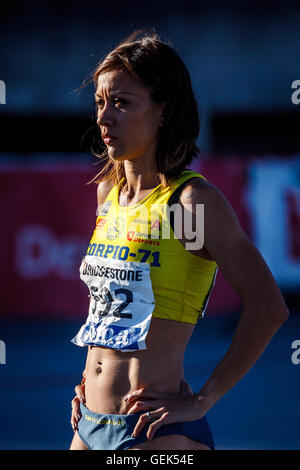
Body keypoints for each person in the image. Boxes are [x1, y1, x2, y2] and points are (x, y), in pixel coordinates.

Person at [69, 29, 289, 450]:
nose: (104, 117)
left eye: (121, 102)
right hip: (87, 421)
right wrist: (87, 381)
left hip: (153, 431)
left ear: (163, 111)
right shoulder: (108, 195)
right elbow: (109, 310)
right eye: (100, 102)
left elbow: (268, 307)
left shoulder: (190, 202)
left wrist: (203, 400)